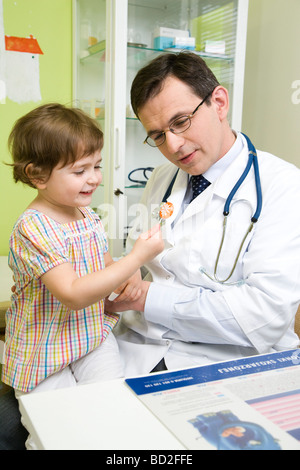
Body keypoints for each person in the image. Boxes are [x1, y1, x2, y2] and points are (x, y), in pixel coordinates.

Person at [106, 52, 300, 376]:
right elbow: (138, 260)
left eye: (180, 122)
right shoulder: (162, 179)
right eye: (157, 135)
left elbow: (262, 317)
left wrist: (144, 298)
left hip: (228, 364)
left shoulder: (283, 186)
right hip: (136, 351)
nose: (173, 145)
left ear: (219, 103)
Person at [2, 103, 163, 398]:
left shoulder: (86, 215)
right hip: (44, 346)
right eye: (80, 170)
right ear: (37, 175)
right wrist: (136, 259)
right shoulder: (34, 228)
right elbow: (74, 294)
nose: (94, 178)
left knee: (110, 399)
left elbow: (104, 266)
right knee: (55, 423)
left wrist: (131, 279)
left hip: (89, 334)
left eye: (97, 165)